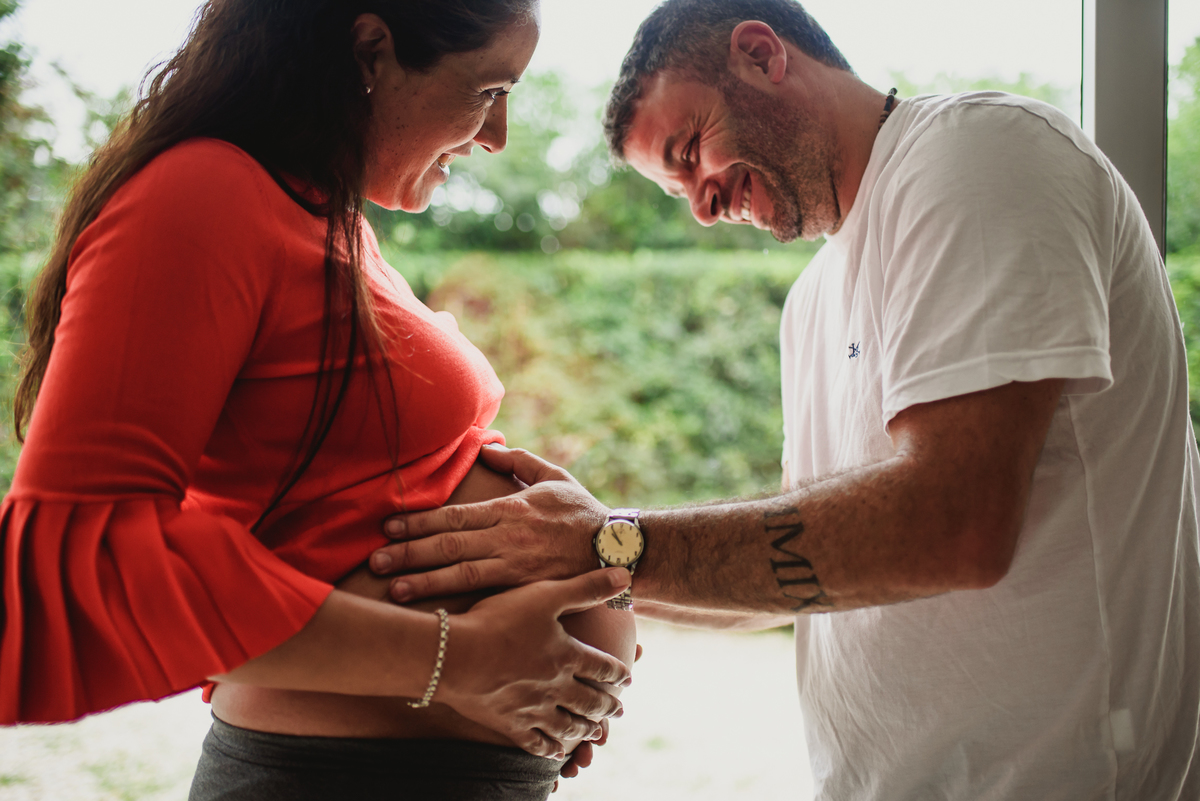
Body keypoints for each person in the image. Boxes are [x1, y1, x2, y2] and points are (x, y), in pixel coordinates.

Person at [367, 0, 1200, 798]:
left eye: (691, 149)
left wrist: (608, 545)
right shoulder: (813, 300)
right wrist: (572, 576)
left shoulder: (980, 153)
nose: (702, 205)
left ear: (762, 55)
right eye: (675, 190)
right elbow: (810, 565)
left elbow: (954, 523)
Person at [0, 1, 636, 799]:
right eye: (489, 90)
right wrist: (464, 660)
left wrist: (569, 637)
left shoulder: (332, 221)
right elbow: (90, 551)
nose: (497, 135)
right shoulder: (204, 191)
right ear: (370, 52)